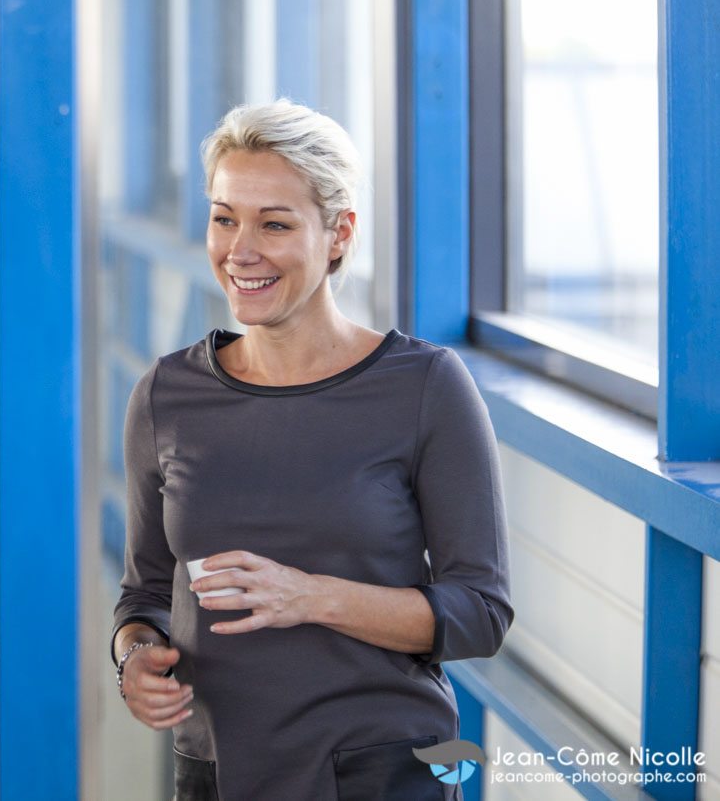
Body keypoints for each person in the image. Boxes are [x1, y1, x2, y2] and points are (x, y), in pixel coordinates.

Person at [112, 100, 512, 800]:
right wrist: (137, 657)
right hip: (216, 771)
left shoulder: (424, 387)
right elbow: (144, 592)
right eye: (224, 216)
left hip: (384, 770)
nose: (240, 249)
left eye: (275, 223)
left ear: (338, 234)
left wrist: (309, 596)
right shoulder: (165, 394)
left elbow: (479, 612)